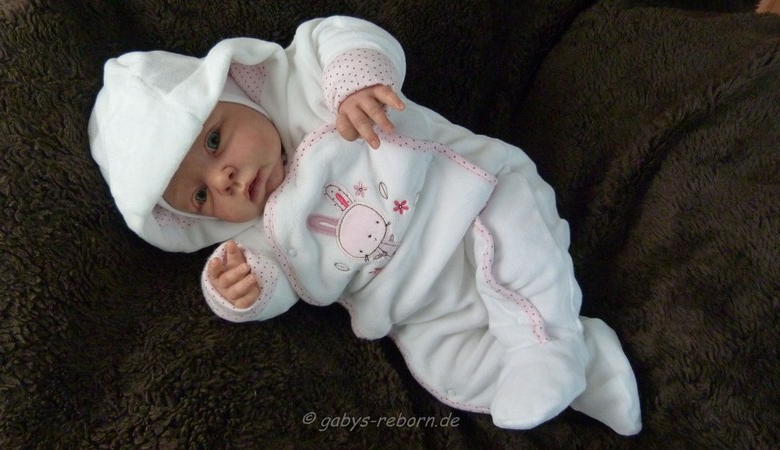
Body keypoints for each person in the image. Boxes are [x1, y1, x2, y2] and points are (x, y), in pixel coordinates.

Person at [88, 15, 642, 435]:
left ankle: (547, 347)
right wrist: (240, 290)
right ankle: (589, 368)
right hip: (416, 307)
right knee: (450, 369)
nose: (225, 178)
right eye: (201, 195)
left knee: (517, 255)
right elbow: (276, 280)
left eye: (214, 140)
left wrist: (355, 83)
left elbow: (341, 35)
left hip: (469, 198)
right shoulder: (259, 236)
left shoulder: (305, 84)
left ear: (235, 89)